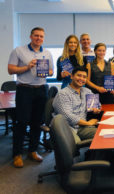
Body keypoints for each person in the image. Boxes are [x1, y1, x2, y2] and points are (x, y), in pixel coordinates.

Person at [8, 27, 54, 168]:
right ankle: (17, 154)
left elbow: (52, 71)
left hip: (41, 89)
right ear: (30, 36)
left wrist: (46, 72)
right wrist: (27, 67)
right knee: (21, 122)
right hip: (24, 90)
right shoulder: (18, 51)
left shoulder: (47, 53)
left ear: (43, 38)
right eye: (36, 35)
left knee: (36, 122)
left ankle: (32, 151)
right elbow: (10, 69)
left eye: (41, 36)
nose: (38, 38)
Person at [53, 66, 102, 141]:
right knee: (74, 145)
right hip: (67, 128)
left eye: (84, 77)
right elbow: (68, 117)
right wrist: (88, 123)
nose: (81, 79)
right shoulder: (63, 94)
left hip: (82, 127)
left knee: (103, 134)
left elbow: (98, 105)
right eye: (79, 75)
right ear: (72, 76)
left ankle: (94, 152)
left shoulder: (86, 91)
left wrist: (97, 109)